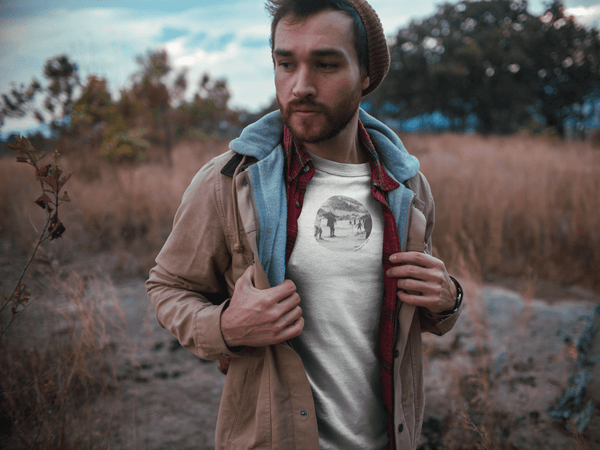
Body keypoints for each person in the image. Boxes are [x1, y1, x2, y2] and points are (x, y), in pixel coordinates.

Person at [146, 1, 463, 449]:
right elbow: (167, 286)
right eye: (285, 63)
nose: (301, 86)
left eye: (326, 64)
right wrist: (226, 328)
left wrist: (449, 299)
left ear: (366, 74)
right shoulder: (229, 181)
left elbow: (420, 312)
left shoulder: (406, 186)